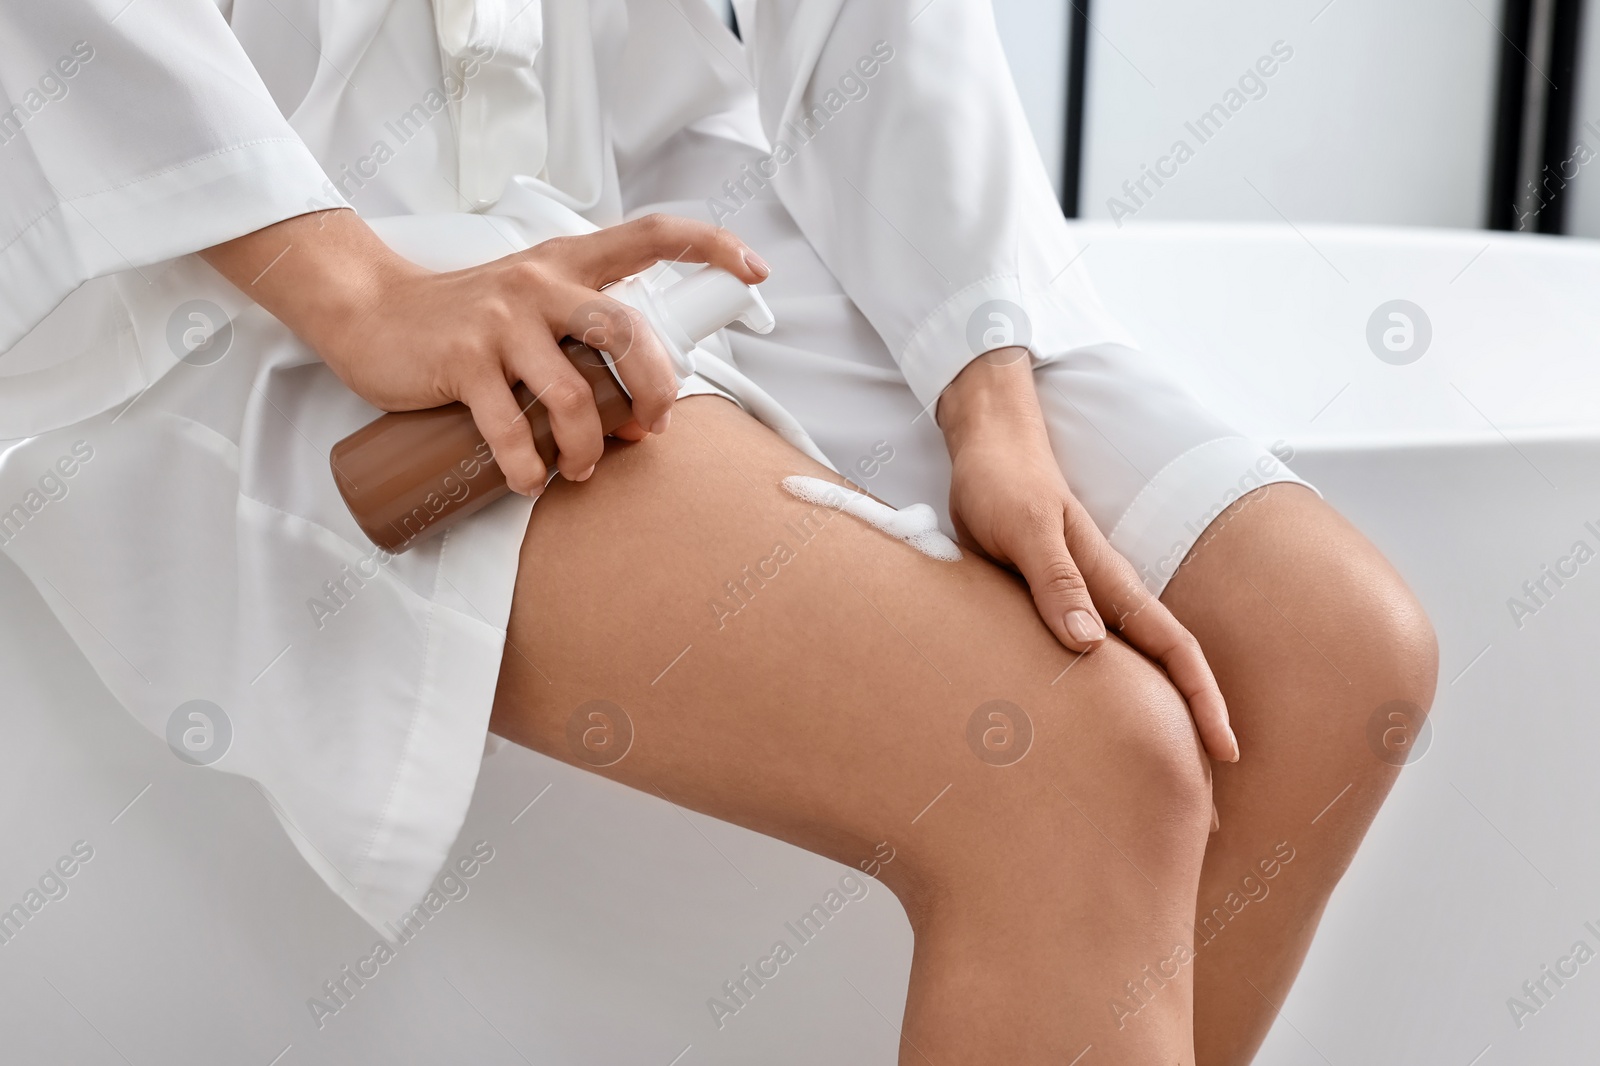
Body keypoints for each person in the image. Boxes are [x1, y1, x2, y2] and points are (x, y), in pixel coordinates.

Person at [0, 1, 1436, 1061]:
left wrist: (984, 387)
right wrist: (351, 284)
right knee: (1081, 765)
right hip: (204, 249)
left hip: (633, 189)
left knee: (1332, 661)